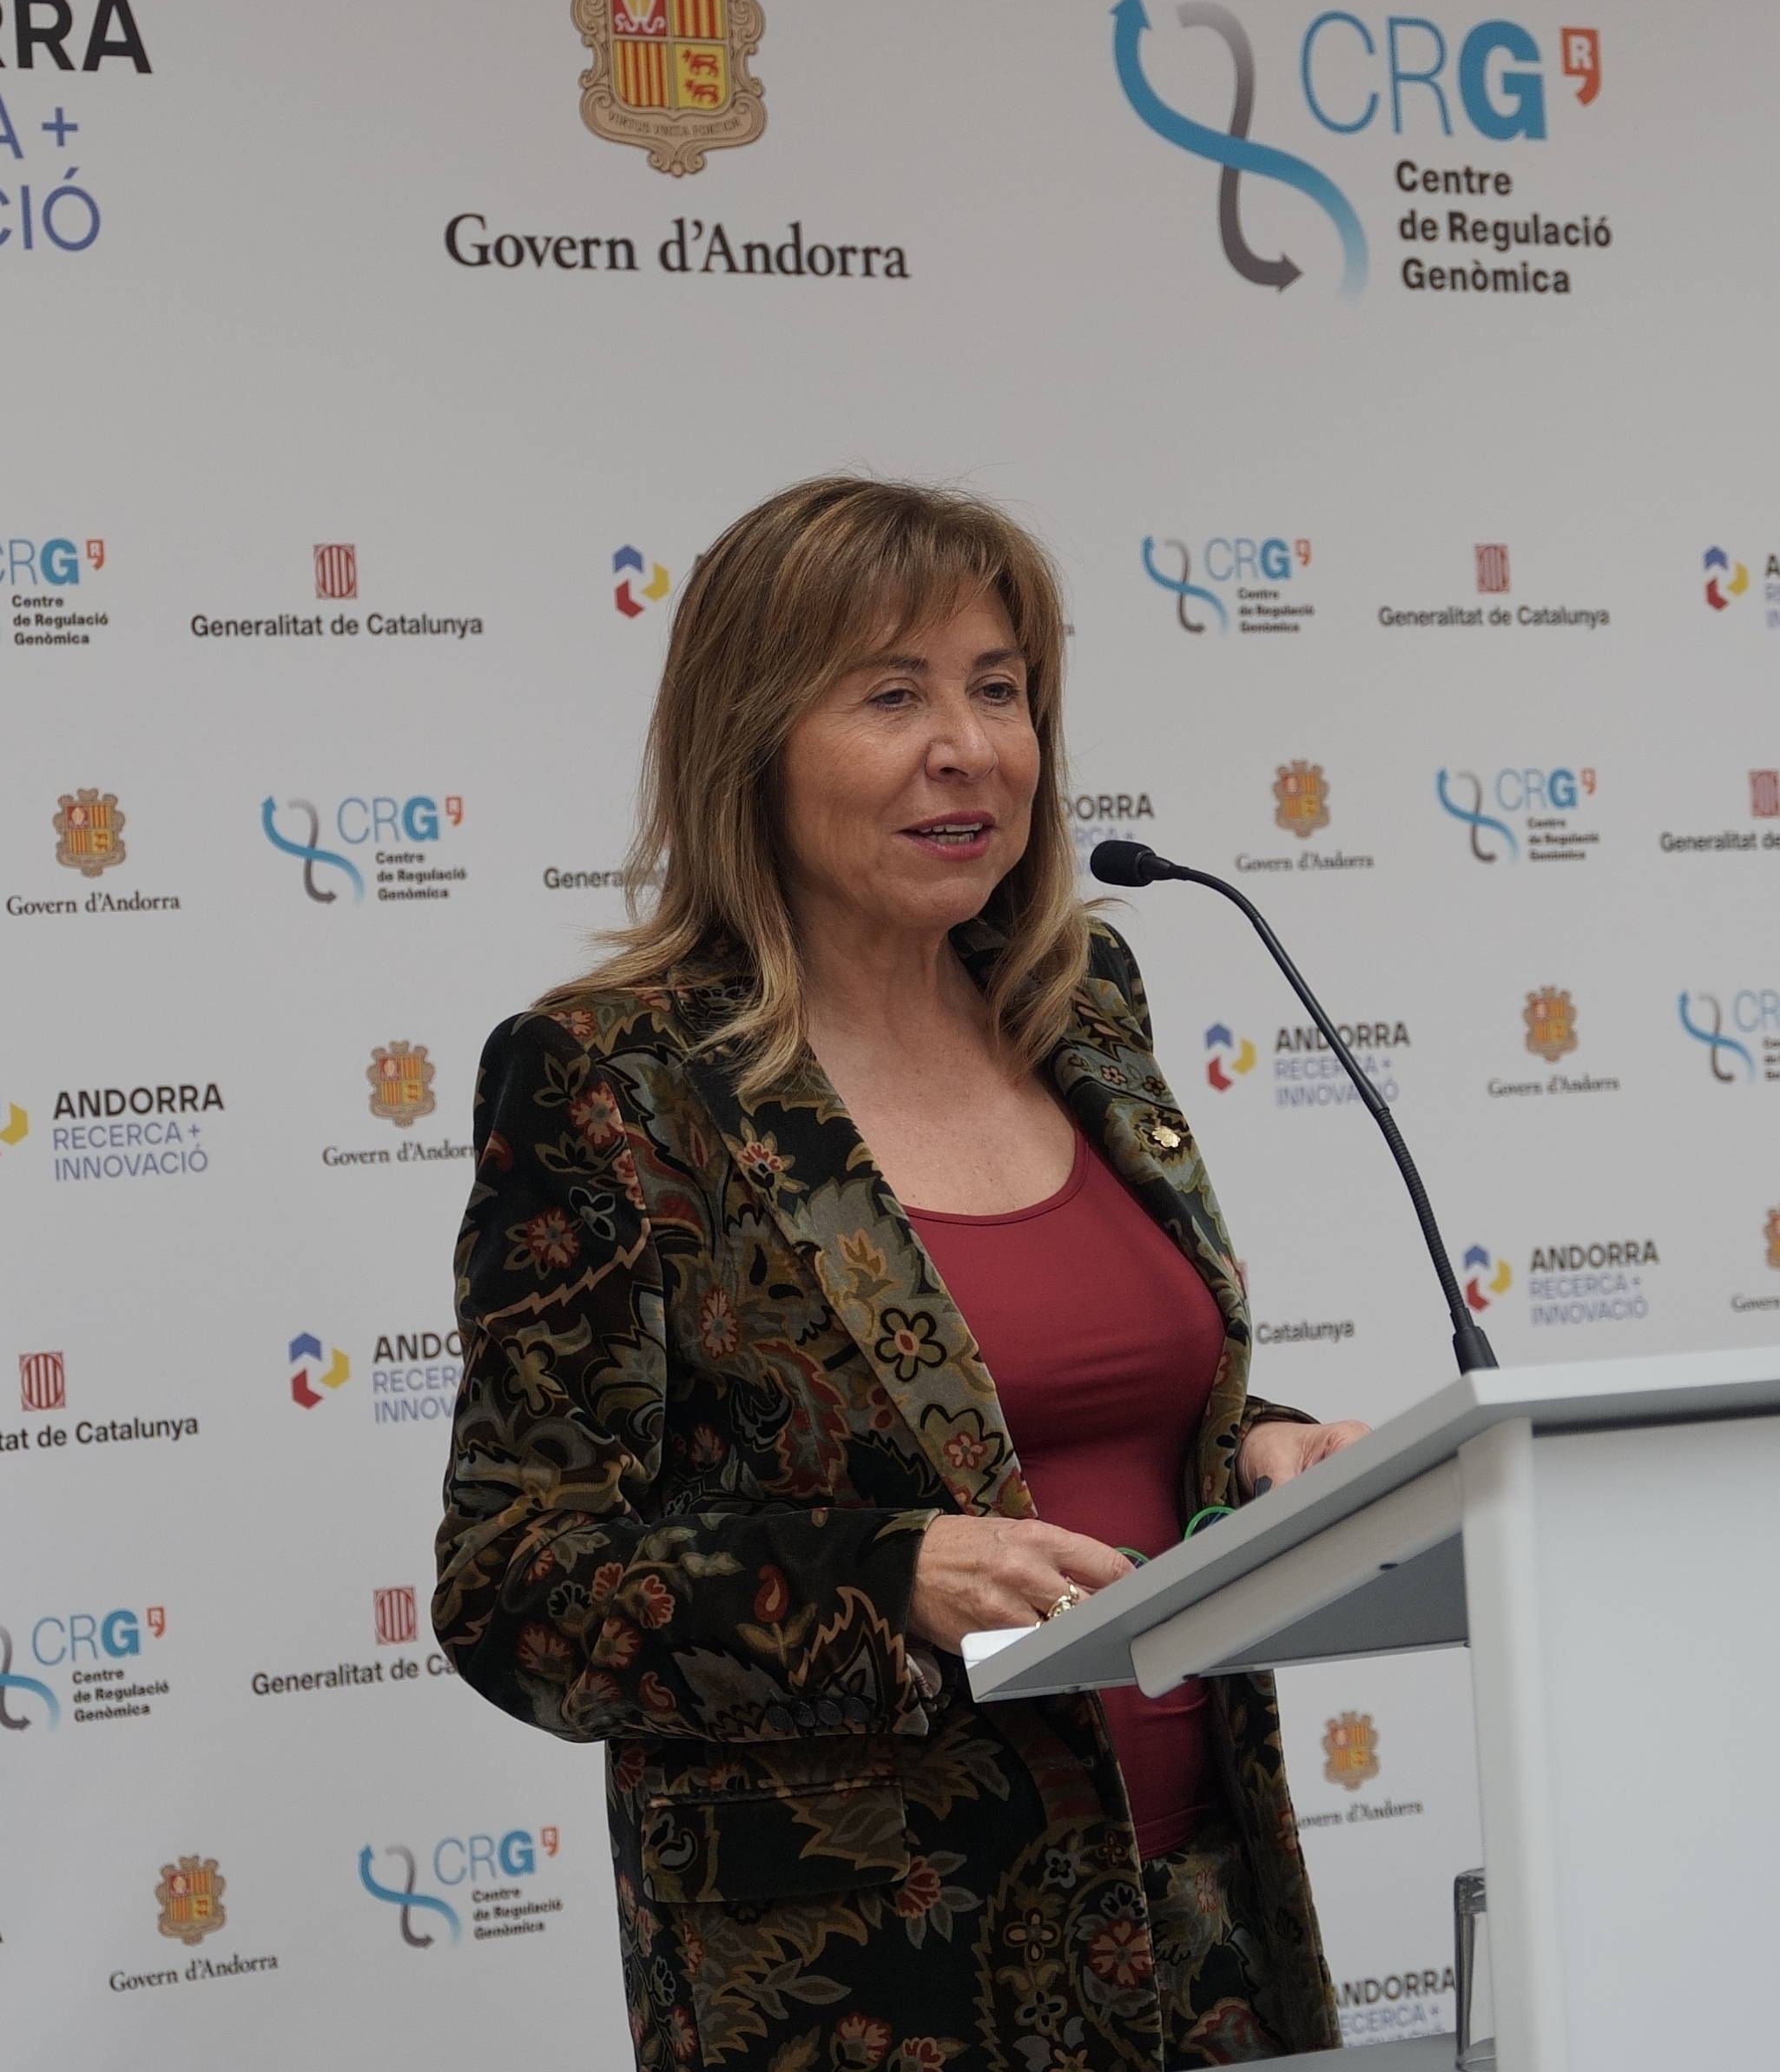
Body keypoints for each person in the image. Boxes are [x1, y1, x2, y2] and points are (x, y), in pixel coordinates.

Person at [435, 478, 1367, 2070]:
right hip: (870, 1985)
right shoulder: (620, 1077)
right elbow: (516, 1584)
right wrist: (884, 1579)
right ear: (751, 743)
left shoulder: (1081, 1002)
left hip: (1204, 1934)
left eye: (999, 689)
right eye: (891, 696)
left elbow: (1061, 1403)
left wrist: (1262, 1446)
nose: (970, 747)